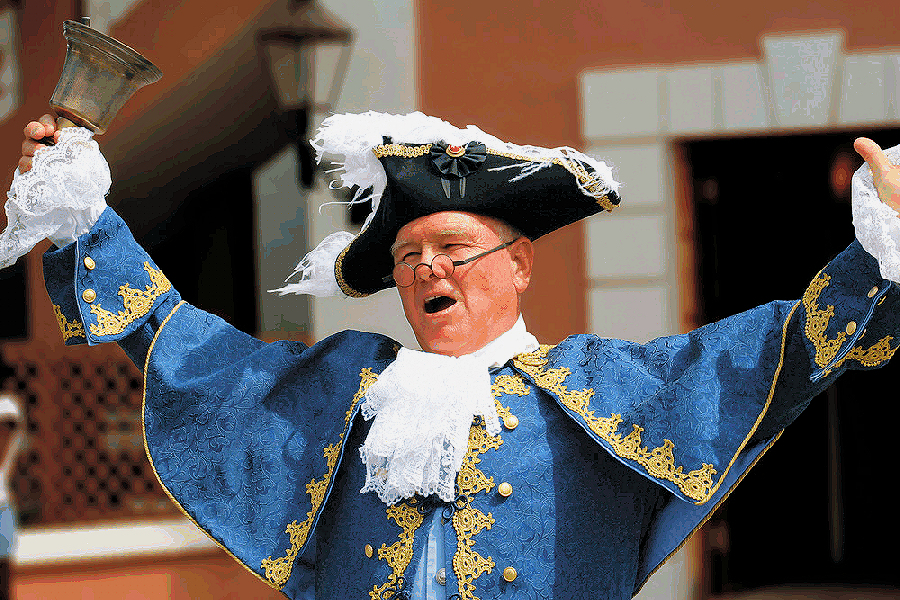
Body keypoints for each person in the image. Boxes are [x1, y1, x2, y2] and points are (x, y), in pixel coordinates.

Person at [4, 111, 900, 600]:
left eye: (454, 248)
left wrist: (881, 251)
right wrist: (83, 219)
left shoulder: (599, 386)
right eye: (405, 257)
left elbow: (782, 353)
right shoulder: (346, 386)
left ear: (518, 265)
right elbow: (183, 346)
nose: (426, 267)